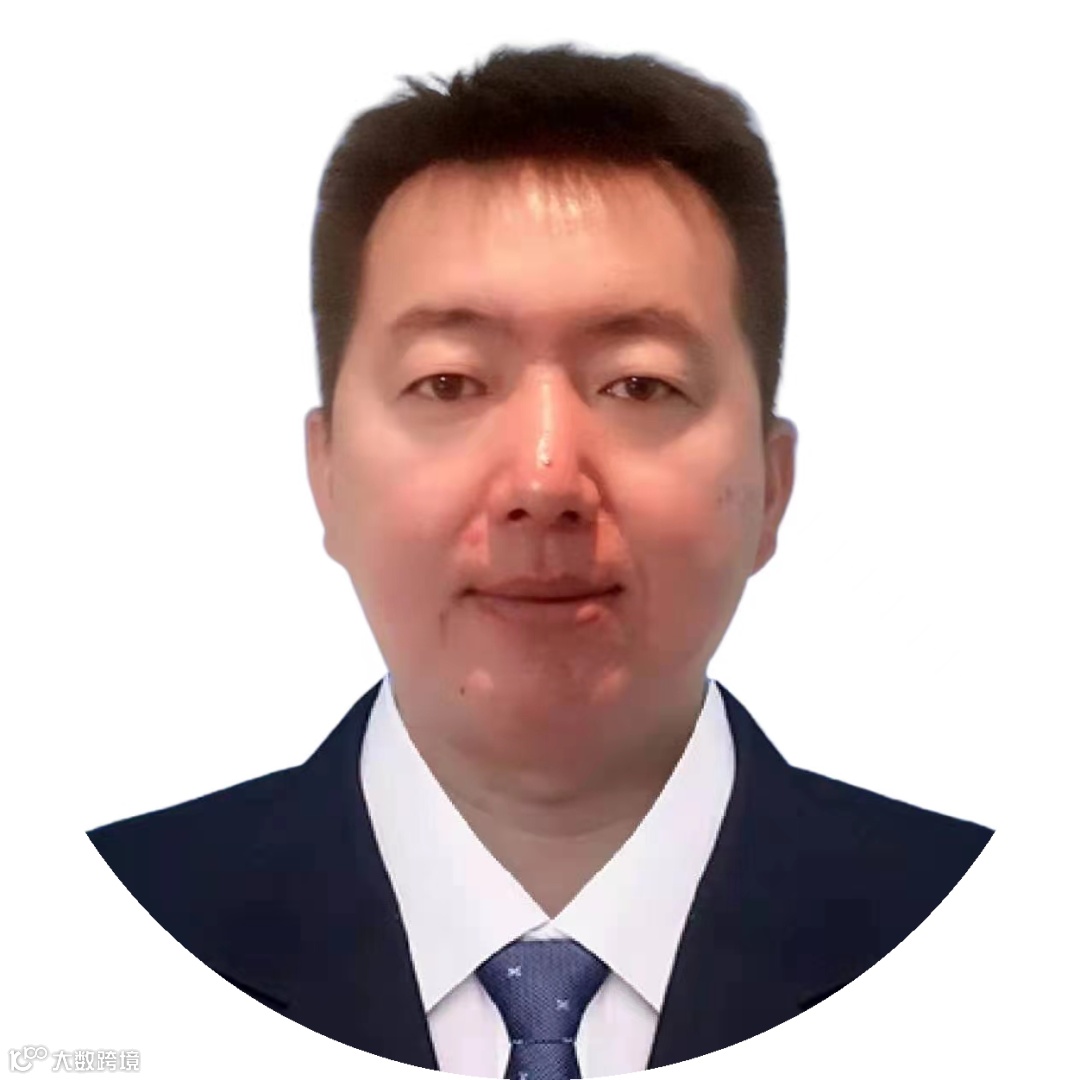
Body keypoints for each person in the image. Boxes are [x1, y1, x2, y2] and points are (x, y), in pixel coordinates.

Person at [88, 43, 992, 1077]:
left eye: (640, 385)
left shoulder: (995, 933)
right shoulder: (94, 927)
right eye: (449, 383)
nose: (546, 477)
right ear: (326, 472)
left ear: (772, 485)